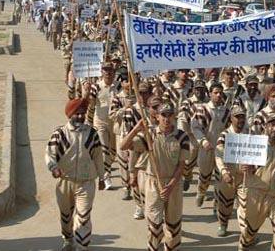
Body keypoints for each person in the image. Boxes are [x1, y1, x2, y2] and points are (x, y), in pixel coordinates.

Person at [122, 101, 189, 251]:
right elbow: (123, 146)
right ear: (157, 117)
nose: (166, 119)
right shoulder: (149, 134)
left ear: (174, 117)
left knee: (173, 228)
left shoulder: (182, 137)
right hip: (153, 183)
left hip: (174, 185)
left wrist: (171, 185)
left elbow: (181, 165)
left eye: (169, 115)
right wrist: (136, 129)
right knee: (154, 225)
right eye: (163, 115)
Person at [45, 98, 104, 251]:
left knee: (83, 216)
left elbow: (98, 156)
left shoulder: (92, 134)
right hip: (65, 181)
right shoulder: (59, 133)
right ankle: (68, 239)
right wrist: (54, 168)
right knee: (66, 216)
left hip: (86, 182)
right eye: (77, 113)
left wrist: (102, 177)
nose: (80, 117)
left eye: (82, 114)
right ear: (70, 114)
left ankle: (82, 247)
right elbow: (50, 154)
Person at [238, 113, 275, 250]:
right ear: (266, 126)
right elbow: (241, 166)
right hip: (257, 194)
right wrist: (243, 166)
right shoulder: (255, 144)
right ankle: (244, 245)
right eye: (272, 125)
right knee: (249, 232)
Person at [191, 82, 229, 207]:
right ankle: (201, 192)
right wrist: (203, 141)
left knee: (220, 178)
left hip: (221, 150)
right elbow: (195, 127)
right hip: (206, 148)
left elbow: (230, 128)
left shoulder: (226, 111)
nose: (218, 95)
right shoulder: (203, 109)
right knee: (205, 175)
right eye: (215, 93)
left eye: (220, 93)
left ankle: (217, 204)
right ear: (210, 94)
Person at [214, 105, 249, 237]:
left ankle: (247, 233)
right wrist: (224, 172)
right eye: (237, 117)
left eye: (242, 117)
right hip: (228, 176)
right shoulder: (224, 135)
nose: (240, 120)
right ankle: (223, 224)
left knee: (246, 205)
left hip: (244, 177)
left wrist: (251, 167)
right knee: (225, 204)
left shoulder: (249, 134)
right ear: (231, 118)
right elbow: (218, 155)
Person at [84, 62, 119, 189]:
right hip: (100, 122)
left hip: (114, 124)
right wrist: (87, 93)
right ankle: (106, 177)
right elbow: (91, 104)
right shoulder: (96, 87)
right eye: (105, 70)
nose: (108, 72)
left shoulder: (118, 86)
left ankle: (106, 169)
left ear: (114, 72)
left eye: (110, 70)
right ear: (102, 72)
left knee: (113, 152)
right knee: (104, 150)